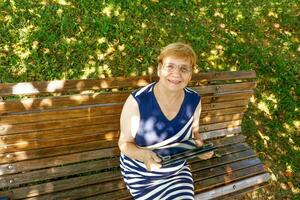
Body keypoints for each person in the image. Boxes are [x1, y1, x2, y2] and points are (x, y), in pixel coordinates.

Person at [118, 42, 214, 200]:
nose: (176, 74)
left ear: (190, 74)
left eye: (184, 69)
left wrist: (201, 148)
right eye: (170, 66)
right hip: (143, 173)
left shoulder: (194, 100)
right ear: (159, 69)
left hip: (177, 171)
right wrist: (143, 155)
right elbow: (124, 144)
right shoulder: (138, 101)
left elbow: (194, 132)